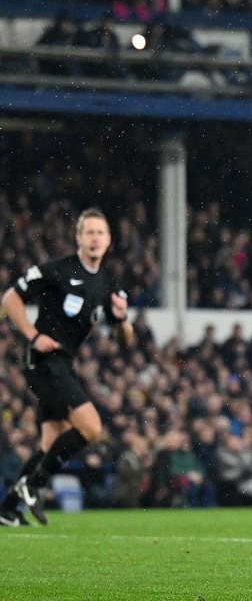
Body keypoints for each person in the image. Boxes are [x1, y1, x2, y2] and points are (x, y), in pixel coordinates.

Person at [0, 208, 135, 526]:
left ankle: (7, 509)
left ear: (109, 240)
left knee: (51, 443)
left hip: (63, 363)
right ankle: (33, 485)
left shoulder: (107, 284)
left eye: (100, 233)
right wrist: (33, 335)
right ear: (78, 238)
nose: (95, 238)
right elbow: (10, 298)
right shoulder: (58, 270)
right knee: (92, 428)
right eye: (89, 232)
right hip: (44, 361)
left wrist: (122, 318)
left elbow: (123, 341)